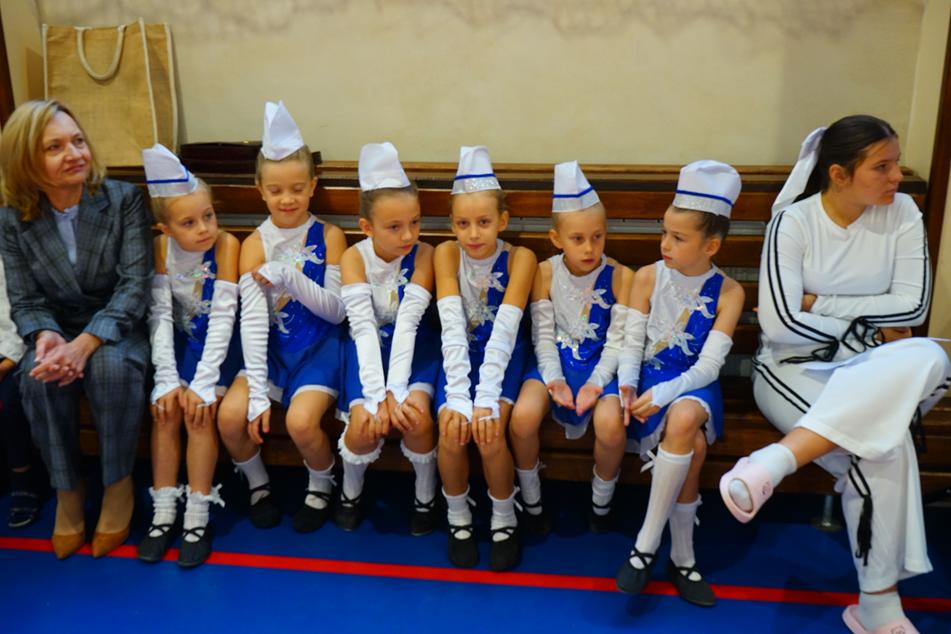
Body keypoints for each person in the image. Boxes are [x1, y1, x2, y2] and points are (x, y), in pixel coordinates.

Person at [719, 116, 950, 634]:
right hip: (792, 369)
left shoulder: (904, 212)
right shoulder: (793, 223)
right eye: (882, 167)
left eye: (896, 164)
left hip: (873, 369)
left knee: (933, 358)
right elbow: (780, 325)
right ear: (840, 174)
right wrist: (870, 326)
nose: (897, 177)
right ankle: (879, 608)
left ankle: (776, 461)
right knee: (884, 446)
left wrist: (819, 302)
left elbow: (913, 306)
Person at [0, 99, 152, 559]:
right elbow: (25, 299)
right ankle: (67, 491)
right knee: (37, 377)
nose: (75, 154)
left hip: (117, 325)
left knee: (110, 369)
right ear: (26, 160)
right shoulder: (12, 218)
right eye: (55, 147)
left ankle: (118, 484)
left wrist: (85, 344)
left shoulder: (123, 200)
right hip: (58, 329)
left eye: (78, 141)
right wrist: (43, 336)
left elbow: (133, 287)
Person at [614, 161, 745, 607]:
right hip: (649, 375)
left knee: (686, 415)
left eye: (678, 238)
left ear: (711, 246)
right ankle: (683, 556)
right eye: (664, 233)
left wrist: (667, 393)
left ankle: (646, 544)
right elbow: (632, 343)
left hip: (693, 383)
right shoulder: (648, 276)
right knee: (695, 447)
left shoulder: (729, 292)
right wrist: (628, 385)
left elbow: (708, 368)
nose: (664, 244)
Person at [217, 101, 346, 533]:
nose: (287, 199)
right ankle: (258, 484)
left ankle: (321, 483)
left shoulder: (330, 236)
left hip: (319, 348)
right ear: (260, 190)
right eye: (275, 190)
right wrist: (256, 392)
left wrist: (290, 277)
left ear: (313, 186)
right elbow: (254, 323)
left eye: (296, 188)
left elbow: (336, 311)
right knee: (230, 417)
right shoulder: (254, 244)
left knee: (301, 422)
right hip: (271, 351)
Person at [509, 161, 633, 535]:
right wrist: (554, 378)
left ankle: (601, 502)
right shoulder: (544, 273)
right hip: (555, 359)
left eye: (598, 237)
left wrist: (596, 382)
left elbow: (618, 341)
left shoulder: (621, 277)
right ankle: (531, 499)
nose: (590, 247)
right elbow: (543, 336)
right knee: (522, 418)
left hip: (602, 364)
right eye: (577, 239)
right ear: (556, 238)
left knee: (611, 426)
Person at [138, 145, 241, 566]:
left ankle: (198, 511)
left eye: (208, 216)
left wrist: (203, 380)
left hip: (221, 350)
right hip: (182, 346)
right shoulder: (161, 250)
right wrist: (166, 377)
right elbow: (160, 315)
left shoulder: (227, 245)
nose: (204, 228)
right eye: (188, 222)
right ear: (164, 228)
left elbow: (224, 316)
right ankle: (163, 511)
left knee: (199, 413)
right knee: (165, 411)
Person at [434, 146, 536, 570]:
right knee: (451, 430)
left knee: (490, 432)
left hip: (503, 359)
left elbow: (507, 330)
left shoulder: (521, 258)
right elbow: (451, 325)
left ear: (503, 221)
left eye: (483, 222)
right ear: (452, 224)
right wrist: (459, 396)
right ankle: (458, 516)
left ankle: (504, 516)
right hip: (458, 357)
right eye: (463, 224)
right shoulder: (445, 254)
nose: (473, 234)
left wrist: (487, 398)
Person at [335, 142, 439, 534]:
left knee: (415, 418)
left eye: (415, 222)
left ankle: (426, 495)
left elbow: (409, 323)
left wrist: (396, 392)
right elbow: (362, 328)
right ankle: (350, 492)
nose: (408, 234)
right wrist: (377, 396)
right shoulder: (354, 258)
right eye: (394, 227)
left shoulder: (425, 254)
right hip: (368, 353)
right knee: (363, 423)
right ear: (367, 228)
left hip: (415, 351)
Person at [0, 254, 40, 529]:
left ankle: (22, 478)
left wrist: (7, 363)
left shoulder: (9, 250)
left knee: (8, 402)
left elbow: (21, 313)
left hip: (14, 348)